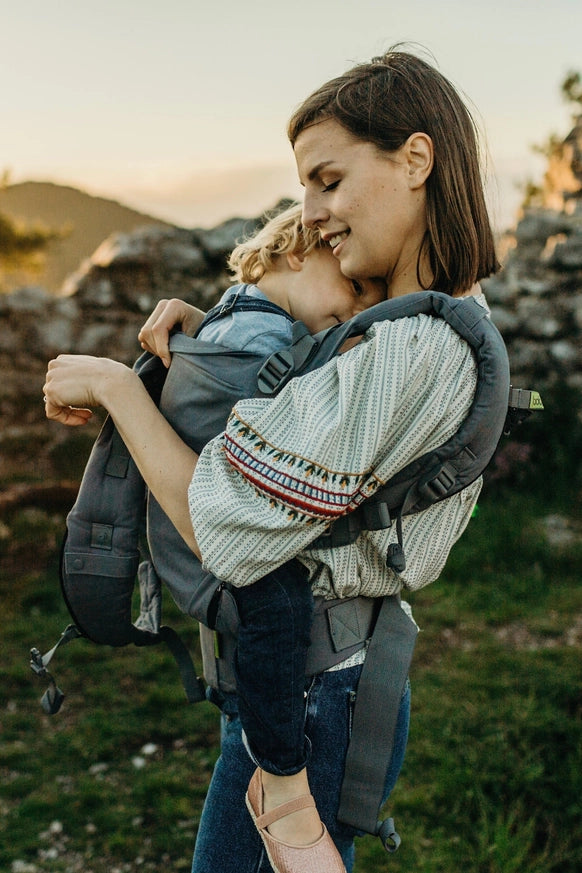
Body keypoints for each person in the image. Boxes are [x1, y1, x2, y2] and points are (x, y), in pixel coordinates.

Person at [43, 46, 501, 873]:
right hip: (314, 687)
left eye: (328, 179)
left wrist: (122, 388)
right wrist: (221, 333)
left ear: (416, 158)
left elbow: (224, 522)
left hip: (316, 700)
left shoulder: (412, 350)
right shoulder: (417, 320)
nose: (312, 212)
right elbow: (309, 377)